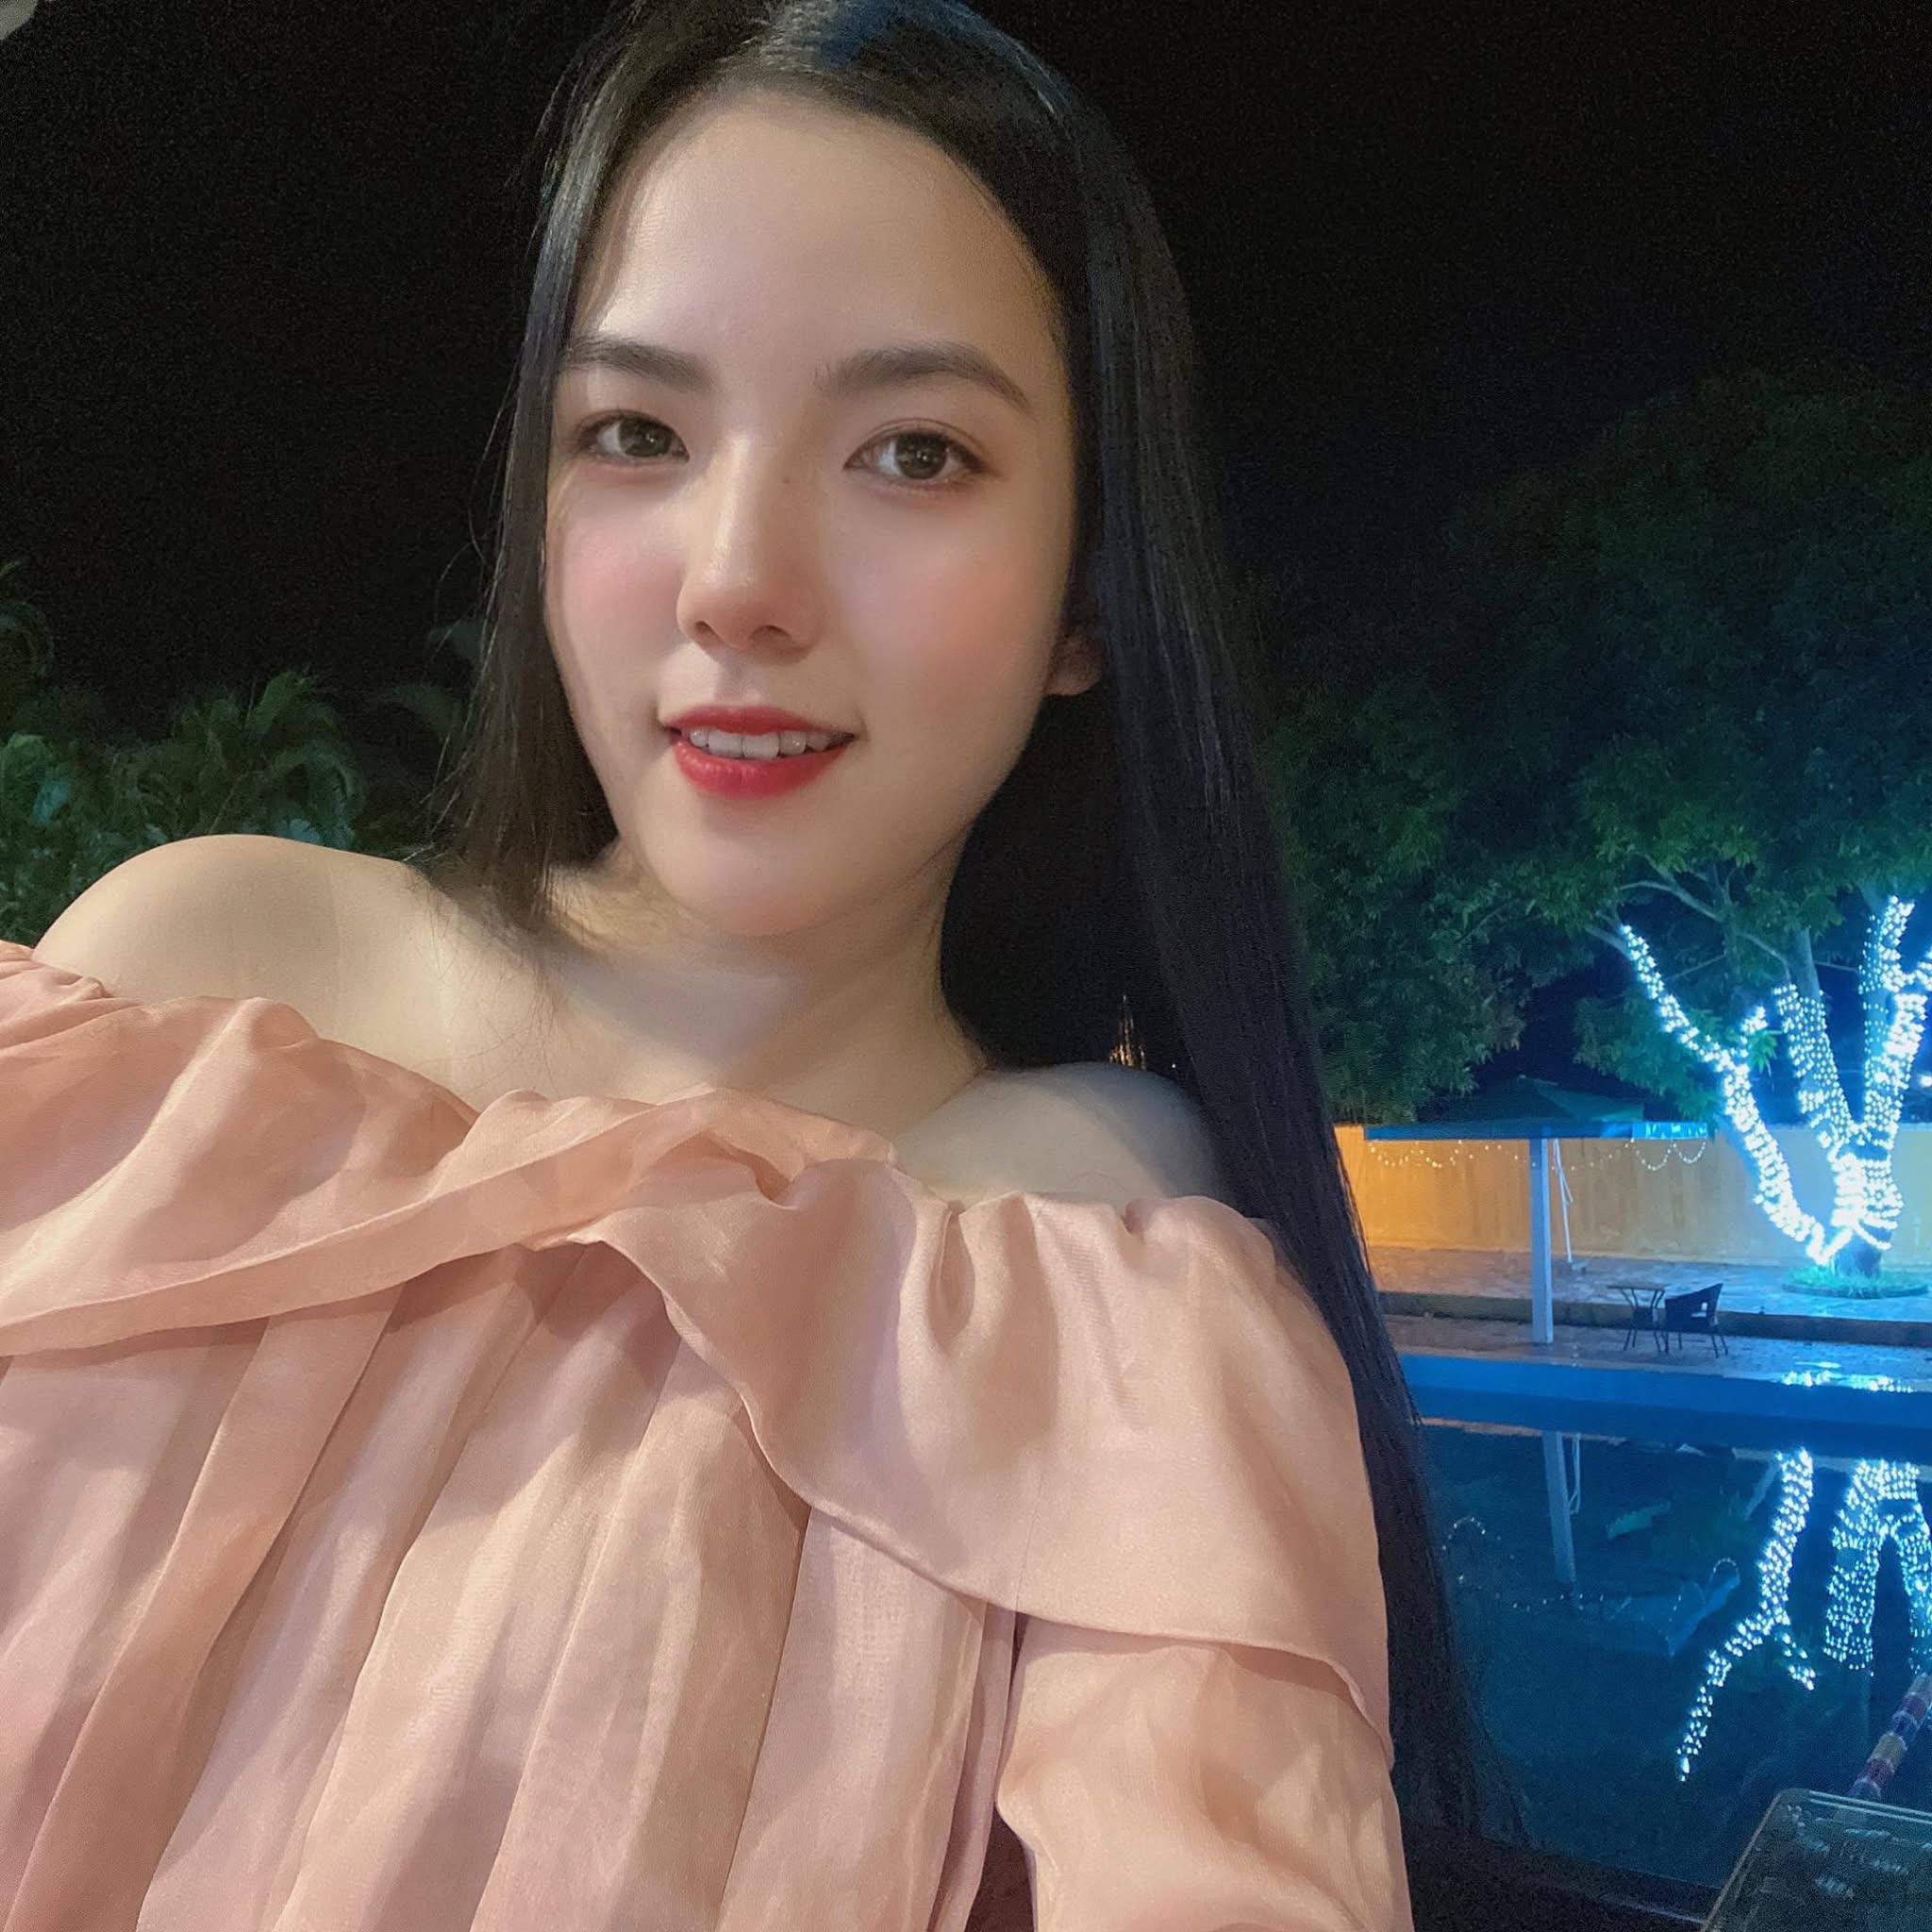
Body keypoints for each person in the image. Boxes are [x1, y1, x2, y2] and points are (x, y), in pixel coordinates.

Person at [2, 1, 1491, 1924]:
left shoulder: (1070, 1244)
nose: (736, 581)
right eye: (637, 433)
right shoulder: (186, 988)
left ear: (1090, 598)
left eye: (914, 453)